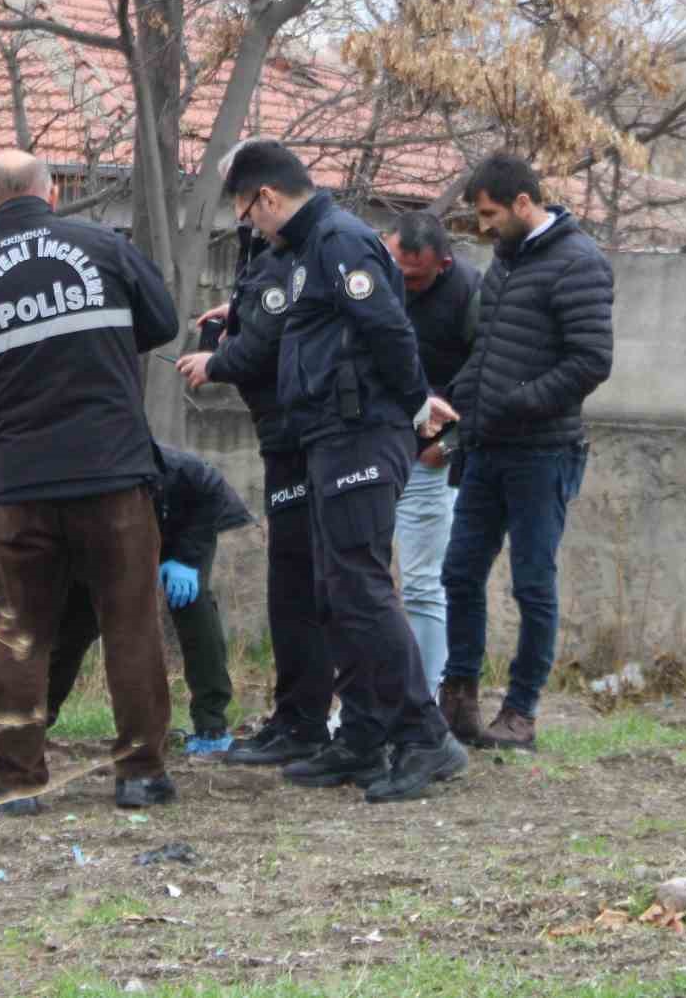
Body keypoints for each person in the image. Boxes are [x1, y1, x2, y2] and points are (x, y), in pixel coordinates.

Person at [220, 139, 468, 803]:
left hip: (362, 432)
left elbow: (390, 332)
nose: (252, 226)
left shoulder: (339, 242)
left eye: (248, 213)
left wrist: (417, 407)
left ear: (266, 197)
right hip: (328, 433)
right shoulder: (306, 251)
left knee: (359, 586)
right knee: (337, 588)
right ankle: (361, 732)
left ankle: (424, 733)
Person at [0, 149, 180, 816]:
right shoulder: (106, 247)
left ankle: (17, 782)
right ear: (55, 191)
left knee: (22, 632)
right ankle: (139, 774)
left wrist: (14, 431)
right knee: (128, 622)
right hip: (114, 475)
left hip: (20, 486)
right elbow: (163, 323)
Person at [431, 153, 614, 751]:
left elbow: (591, 361)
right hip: (486, 447)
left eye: (489, 213)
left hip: (544, 451)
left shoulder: (578, 262)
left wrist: (518, 402)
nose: (482, 227)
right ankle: (457, 700)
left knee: (533, 583)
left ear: (523, 204)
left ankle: (521, 711)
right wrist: (458, 407)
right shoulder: (508, 260)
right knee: (458, 572)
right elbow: (488, 350)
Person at [0, 444, 253, 754]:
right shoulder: (44, 521)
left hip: (179, 525)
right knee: (75, 627)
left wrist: (187, 557)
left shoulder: (170, 470)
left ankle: (211, 725)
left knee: (190, 606)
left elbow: (209, 493)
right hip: (101, 543)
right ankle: (33, 724)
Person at [176, 219, 334, 766]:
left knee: (301, 584)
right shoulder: (267, 255)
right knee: (289, 581)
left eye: (244, 201)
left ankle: (309, 720)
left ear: (263, 196)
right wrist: (237, 317)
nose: (242, 214)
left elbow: (271, 345)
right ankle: (295, 715)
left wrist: (215, 361)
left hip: (298, 436)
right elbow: (273, 325)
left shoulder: (296, 252)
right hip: (281, 434)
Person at [383, 210, 480, 697]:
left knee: (423, 584)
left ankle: (425, 699)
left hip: (429, 457)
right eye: (397, 271)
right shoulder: (370, 278)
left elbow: (491, 371)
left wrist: (450, 443)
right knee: (365, 583)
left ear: (442, 263)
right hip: (374, 449)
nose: (405, 284)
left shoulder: (469, 293)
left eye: (416, 277)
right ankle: (376, 694)